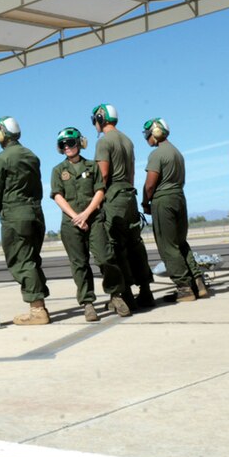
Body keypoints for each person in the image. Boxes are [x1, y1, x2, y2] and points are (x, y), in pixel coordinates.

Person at [50, 127, 131, 321]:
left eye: (70, 143)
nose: (67, 147)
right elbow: (57, 196)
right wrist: (76, 217)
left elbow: (100, 191)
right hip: (71, 224)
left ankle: (115, 296)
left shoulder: (91, 167)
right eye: (63, 145)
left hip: (93, 219)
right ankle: (87, 303)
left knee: (105, 258)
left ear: (79, 143)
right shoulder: (58, 170)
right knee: (79, 264)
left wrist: (86, 214)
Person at [91, 103, 155, 309]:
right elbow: (133, 173)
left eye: (95, 121)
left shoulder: (104, 142)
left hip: (113, 197)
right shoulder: (127, 140)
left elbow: (103, 175)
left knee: (116, 246)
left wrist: (96, 200)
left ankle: (125, 294)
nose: (95, 125)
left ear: (101, 119)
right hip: (129, 195)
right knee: (135, 245)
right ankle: (146, 291)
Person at [0, 116, 50, 325]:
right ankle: (39, 304)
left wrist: (3, 211)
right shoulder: (31, 155)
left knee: (22, 261)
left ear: (1, 133)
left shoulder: (2, 158)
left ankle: (37, 311)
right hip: (36, 213)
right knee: (32, 259)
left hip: (15, 214)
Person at [141, 118, 207, 302]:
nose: (147, 138)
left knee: (168, 246)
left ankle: (184, 289)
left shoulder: (157, 154)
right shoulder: (177, 152)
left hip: (163, 200)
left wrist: (145, 202)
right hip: (179, 197)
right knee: (181, 242)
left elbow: (150, 184)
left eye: (148, 134)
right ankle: (198, 282)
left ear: (155, 133)